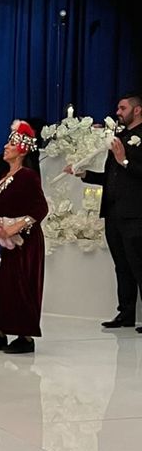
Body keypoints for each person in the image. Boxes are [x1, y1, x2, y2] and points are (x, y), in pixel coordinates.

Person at [68, 93, 142, 330]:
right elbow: (110, 177)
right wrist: (85, 174)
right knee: (121, 265)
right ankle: (126, 313)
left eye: (122, 108)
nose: (118, 112)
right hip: (113, 213)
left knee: (138, 264)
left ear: (137, 110)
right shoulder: (119, 137)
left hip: (135, 214)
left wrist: (125, 162)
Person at [0, 121, 48, 354]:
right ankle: (1, 330)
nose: (5, 147)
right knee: (0, 285)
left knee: (21, 284)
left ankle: (25, 335)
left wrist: (15, 227)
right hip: (3, 239)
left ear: (22, 149)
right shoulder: (3, 177)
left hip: (24, 242)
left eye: (11, 144)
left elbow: (40, 209)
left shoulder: (27, 176)